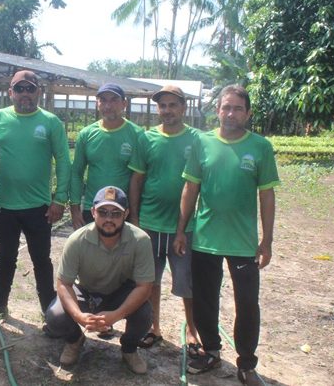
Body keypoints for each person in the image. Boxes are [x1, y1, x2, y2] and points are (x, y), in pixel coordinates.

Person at [173, 85, 279, 385]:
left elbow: (267, 195)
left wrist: (267, 240)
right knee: (205, 299)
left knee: (247, 302)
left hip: (243, 243)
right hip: (205, 238)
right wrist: (182, 230)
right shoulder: (202, 143)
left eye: (237, 108)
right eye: (225, 107)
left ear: (247, 113)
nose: (230, 113)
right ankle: (211, 351)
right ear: (217, 110)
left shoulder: (260, 147)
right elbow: (190, 188)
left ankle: (246, 363)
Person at [0, 70, 72, 322]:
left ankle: (47, 305)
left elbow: (63, 161)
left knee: (41, 258)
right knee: (5, 256)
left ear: (38, 92)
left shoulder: (51, 122)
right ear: (11, 92)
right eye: (19, 89)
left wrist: (59, 199)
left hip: (39, 206)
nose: (25, 94)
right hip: (5, 204)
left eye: (30, 89)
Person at [44, 186, 154, 375]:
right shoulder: (76, 240)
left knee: (144, 313)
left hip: (120, 292)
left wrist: (117, 314)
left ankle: (129, 349)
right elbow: (64, 284)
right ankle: (74, 340)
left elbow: (145, 287)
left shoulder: (141, 240)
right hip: (86, 291)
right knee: (55, 315)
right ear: (93, 212)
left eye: (116, 213)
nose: (109, 219)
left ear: (126, 214)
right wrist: (79, 316)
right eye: (103, 212)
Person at [127, 84, 202, 355]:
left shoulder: (197, 140)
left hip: (184, 226)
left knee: (186, 282)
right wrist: (135, 219)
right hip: (149, 222)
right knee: (150, 281)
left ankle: (192, 329)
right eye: (163, 105)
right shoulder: (146, 139)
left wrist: (184, 225)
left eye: (173, 105)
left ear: (183, 108)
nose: (167, 110)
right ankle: (153, 327)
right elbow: (137, 180)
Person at [70, 83, 139, 229]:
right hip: (93, 207)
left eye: (114, 100)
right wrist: (75, 210)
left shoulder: (136, 135)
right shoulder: (87, 134)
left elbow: (139, 178)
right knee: (91, 250)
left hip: (122, 209)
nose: (108, 105)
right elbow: (77, 173)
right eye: (103, 100)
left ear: (124, 104)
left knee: (123, 251)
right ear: (97, 104)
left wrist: (134, 215)